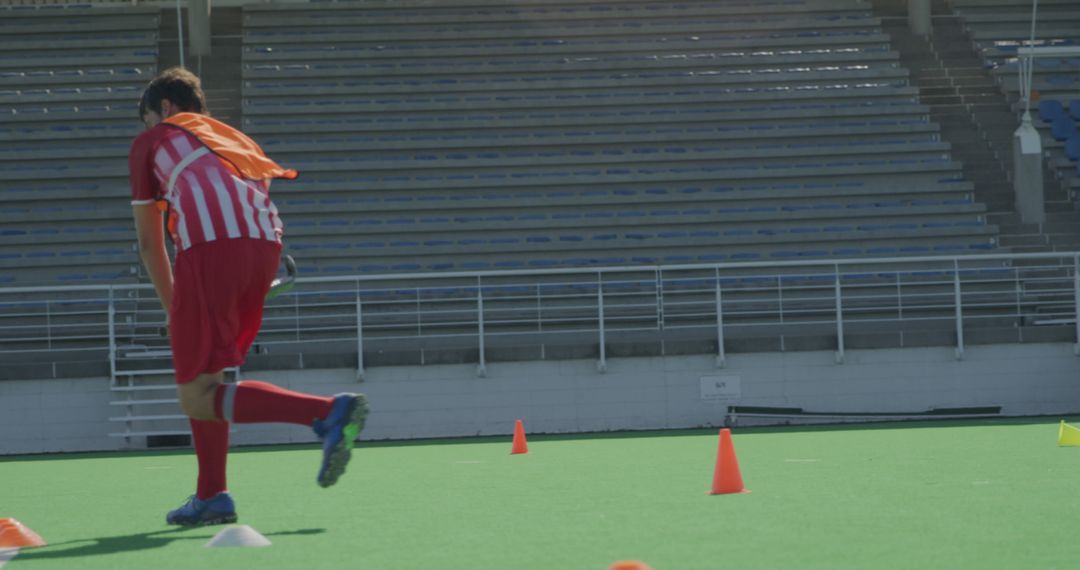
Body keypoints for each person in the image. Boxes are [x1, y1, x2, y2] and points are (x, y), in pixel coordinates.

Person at [128, 67, 369, 526]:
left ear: (164, 108)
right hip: (266, 247)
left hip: (212, 247)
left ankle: (327, 412)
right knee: (207, 379)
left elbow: (148, 242)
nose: (147, 130)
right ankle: (212, 495)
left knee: (196, 398)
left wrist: (172, 307)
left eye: (148, 119)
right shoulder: (233, 138)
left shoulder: (154, 140)